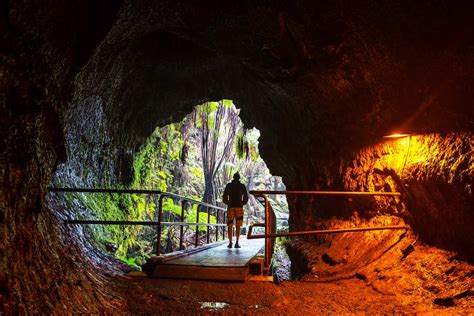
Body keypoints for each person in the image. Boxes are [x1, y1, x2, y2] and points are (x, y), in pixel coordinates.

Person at [222, 172, 248, 248]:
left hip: (231, 207)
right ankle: (237, 242)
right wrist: (242, 203)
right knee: (238, 225)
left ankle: (230, 243)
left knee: (230, 225)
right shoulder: (242, 186)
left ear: (233, 177)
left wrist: (228, 203)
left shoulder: (229, 185)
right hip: (239, 207)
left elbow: (224, 197)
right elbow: (246, 197)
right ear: (239, 178)